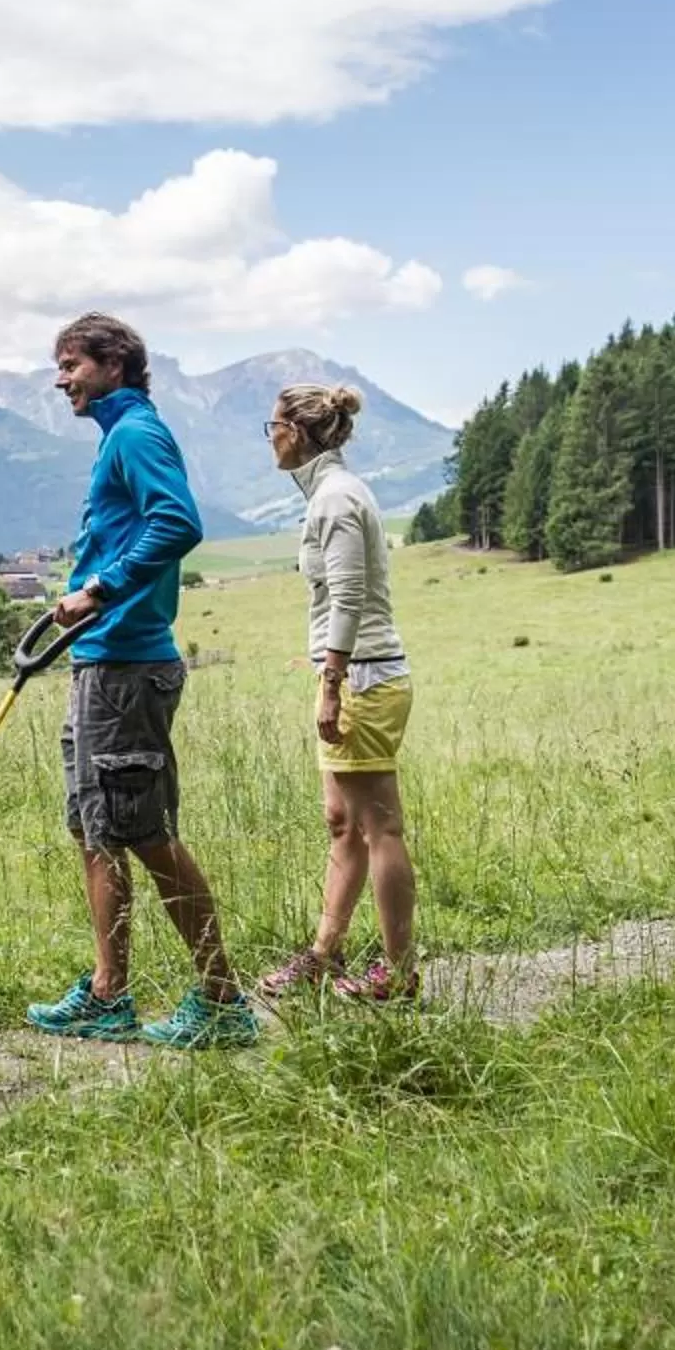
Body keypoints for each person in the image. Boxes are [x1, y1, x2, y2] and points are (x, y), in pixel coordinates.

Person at [24, 312, 258, 1050]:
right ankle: (107, 996)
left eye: (72, 365)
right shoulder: (118, 437)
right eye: (60, 366)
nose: (62, 379)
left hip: (129, 665)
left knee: (148, 835)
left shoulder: (135, 434)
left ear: (115, 365)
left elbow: (179, 522)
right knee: (96, 831)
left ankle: (223, 1001)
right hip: (101, 663)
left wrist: (98, 589)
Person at [252, 385, 422, 1003]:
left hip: (363, 679)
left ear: (295, 430)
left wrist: (331, 685)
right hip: (354, 674)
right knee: (342, 824)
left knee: (380, 829)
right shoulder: (328, 494)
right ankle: (324, 954)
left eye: (271, 425)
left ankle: (400, 975)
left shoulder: (337, 500)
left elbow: (348, 599)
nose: (268, 436)